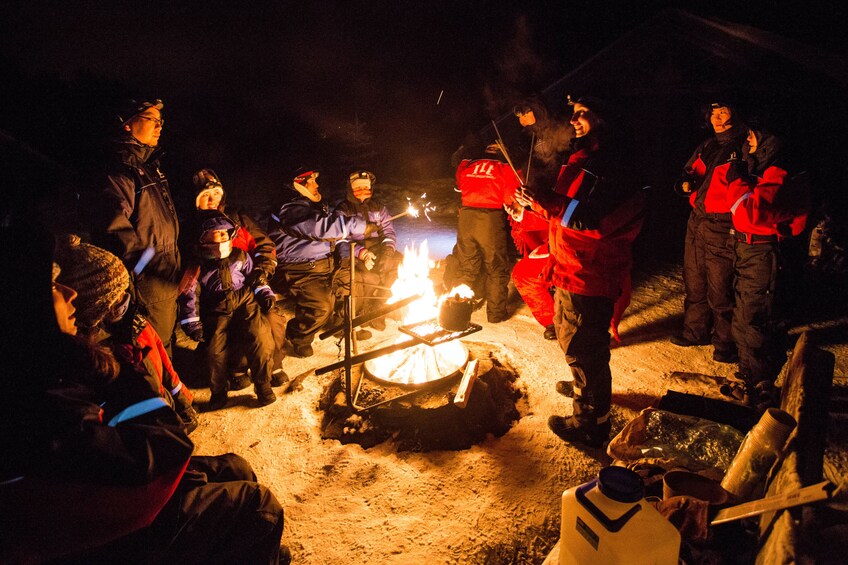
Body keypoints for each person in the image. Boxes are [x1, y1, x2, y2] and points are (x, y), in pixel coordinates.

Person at [0, 215, 289, 564]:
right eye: (53, 287)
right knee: (257, 506)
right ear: (27, 310)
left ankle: (251, 546)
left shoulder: (45, 367)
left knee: (235, 468)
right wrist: (120, 369)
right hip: (105, 535)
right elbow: (161, 451)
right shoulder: (40, 396)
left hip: (111, 497)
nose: (69, 293)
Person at [515, 96, 646, 448]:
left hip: (591, 271)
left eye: (582, 113)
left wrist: (546, 201)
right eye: (572, 114)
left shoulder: (617, 164)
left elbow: (597, 221)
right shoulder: (583, 158)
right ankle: (584, 390)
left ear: (605, 116)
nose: (573, 120)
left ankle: (590, 421)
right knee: (571, 337)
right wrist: (535, 204)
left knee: (585, 347)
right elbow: (566, 212)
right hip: (571, 264)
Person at [54, 234, 200, 434]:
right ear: (93, 308)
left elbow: (165, 366)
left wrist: (182, 401)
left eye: (125, 293)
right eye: (116, 300)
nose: (125, 302)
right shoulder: (97, 360)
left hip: (164, 408)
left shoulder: (136, 323)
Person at [84, 98, 181, 357]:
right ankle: (158, 398)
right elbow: (113, 228)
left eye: (161, 122)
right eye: (152, 119)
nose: (160, 126)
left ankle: (170, 395)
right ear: (127, 125)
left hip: (162, 277)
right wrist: (154, 265)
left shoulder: (147, 167)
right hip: (144, 284)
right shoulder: (120, 169)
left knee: (164, 349)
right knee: (149, 356)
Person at [725, 128, 809, 410]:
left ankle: (761, 390)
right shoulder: (763, 169)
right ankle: (752, 377)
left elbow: (749, 213)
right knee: (746, 312)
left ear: (768, 138)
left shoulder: (782, 172)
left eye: (752, 135)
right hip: (750, 250)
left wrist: (736, 182)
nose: (747, 141)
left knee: (756, 318)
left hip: (764, 252)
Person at [190, 168, 287, 391]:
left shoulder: (237, 219)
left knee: (272, 318)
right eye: (205, 195)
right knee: (230, 328)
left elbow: (264, 246)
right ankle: (237, 368)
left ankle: (273, 365)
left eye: (215, 193)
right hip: (215, 293)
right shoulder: (192, 228)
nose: (212, 199)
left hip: (248, 282)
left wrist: (261, 271)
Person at [267, 168, 378, 358]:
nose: (317, 185)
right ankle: (299, 336)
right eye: (311, 181)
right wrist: (358, 225)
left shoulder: (311, 205)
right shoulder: (289, 208)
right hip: (298, 269)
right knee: (321, 306)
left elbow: (331, 223)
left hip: (323, 265)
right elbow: (320, 228)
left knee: (354, 282)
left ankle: (340, 325)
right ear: (298, 184)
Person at [179, 211, 281, 410]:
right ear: (202, 237)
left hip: (244, 300)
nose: (219, 240)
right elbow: (190, 295)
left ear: (230, 236)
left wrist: (264, 293)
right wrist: (192, 322)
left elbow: (253, 277)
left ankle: (263, 384)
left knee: (260, 337)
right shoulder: (197, 265)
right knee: (214, 350)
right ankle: (218, 392)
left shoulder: (239, 255)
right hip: (216, 306)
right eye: (213, 235)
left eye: (223, 234)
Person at [672, 99, 749, 363]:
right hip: (697, 220)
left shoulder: (741, 146)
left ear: (736, 113)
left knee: (721, 286)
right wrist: (684, 182)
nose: (716, 117)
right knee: (694, 278)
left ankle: (726, 343)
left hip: (723, 223)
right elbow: (688, 170)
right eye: (713, 112)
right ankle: (695, 331)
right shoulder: (707, 145)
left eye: (723, 111)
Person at [452, 142, 522, 322]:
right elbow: (510, 196)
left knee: (467, 266)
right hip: (490, 218)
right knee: (496, 267)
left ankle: (458, 312)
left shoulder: (468, 163)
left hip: (466, 216)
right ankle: (496, 314)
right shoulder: (505, 166)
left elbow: (459, 184)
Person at [333, 169, 403, 338]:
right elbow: (339, 240)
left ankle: (377, 309)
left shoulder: (378, 208)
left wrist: (387, 251)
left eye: (366, 188)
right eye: (358, 189)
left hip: (377, 249)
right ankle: (351, 321)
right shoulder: (343, 210)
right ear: (351, 190)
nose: (363, 192)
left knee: (396, 266)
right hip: (352, 252)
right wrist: (362, 253)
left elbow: (388, 231)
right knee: (365, 277)